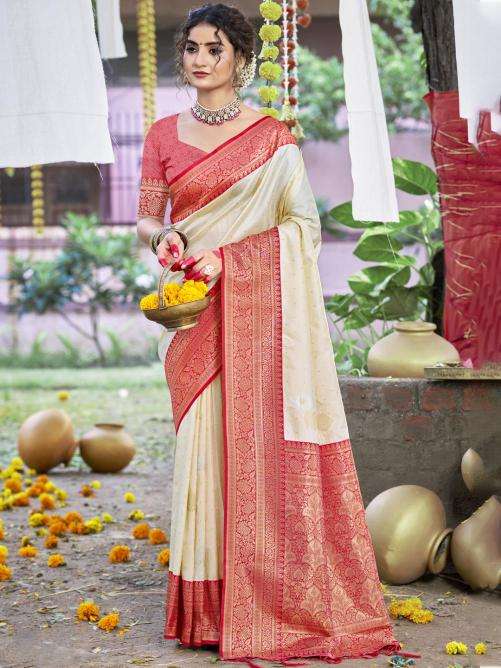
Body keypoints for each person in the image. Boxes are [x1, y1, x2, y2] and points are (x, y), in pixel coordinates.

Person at [136, 3, 407, 665]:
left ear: (241, 59)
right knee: (203, 453)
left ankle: (264, 598)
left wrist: (231, 259)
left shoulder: (271, 138)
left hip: (259, 316)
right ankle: (207, 609)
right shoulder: (162, 134)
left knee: (255, 447)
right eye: (192, 48)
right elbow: (146, 217)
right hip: (192, 311)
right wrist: (164, 235)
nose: (200, 60)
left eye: (215, 49)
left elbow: (302, 228)